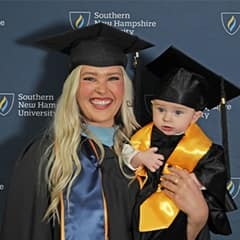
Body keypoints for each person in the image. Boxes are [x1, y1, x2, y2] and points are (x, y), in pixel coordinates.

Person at [0, 23, 210, 240]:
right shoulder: (44, 156)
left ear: (124, 87)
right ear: (73, 88)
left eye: (113, 78)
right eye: (90, 78)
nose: (102, 89)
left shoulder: (153, 152)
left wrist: (197, 220)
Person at [123, 46, 239, 240]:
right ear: (152, 106)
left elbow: (215, 170)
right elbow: (127, 154)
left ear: (195, 117)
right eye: (161, 110)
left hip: (182, 209)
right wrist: (139, 157)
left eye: (178, 112)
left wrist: (196, 181)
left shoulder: (204, 148)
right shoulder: (142, 136)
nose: (167, 118)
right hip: (144, 207)